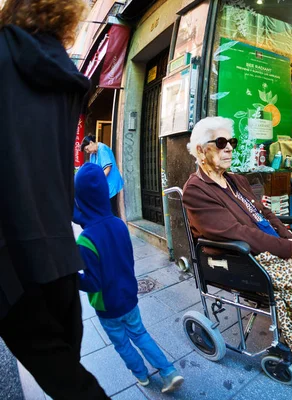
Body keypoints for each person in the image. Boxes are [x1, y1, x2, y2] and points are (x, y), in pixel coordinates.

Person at [0, 0, 110, 398]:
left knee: (68, 384)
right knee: (71, 376)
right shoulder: (65, 77)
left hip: (10, 264)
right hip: (60, 257)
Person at [182, 117, 292, 374]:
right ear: (201, 150)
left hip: (272, 245)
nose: (229, 148)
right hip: (246, 258)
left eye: (231, 142)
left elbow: (264, 213)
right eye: (221, 142)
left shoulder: (236, 180)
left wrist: (289, 238)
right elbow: (237, 233)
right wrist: (287, 250)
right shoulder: (196, 190)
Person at [74, 163, 185, 393]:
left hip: (108, 307)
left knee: (122, 343)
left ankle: (142, 376)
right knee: (141, 334)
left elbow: (93, 283)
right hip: (129, 296)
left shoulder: (85, 240)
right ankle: (168, 371)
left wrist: (73, 278)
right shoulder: (119, 224)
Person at [81, 135, 124, 216]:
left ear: (91, 143)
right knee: (105, 209)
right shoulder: (93, 154)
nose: (87, 151)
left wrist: (98, 181)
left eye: (87, 149)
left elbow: (108, 168)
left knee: (111, 209)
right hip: (104, 184)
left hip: (111, 183)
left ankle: (116, 227)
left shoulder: (102, 148)